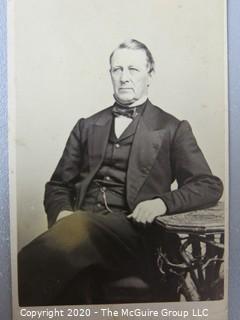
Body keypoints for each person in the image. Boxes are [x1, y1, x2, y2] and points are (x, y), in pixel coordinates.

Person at [18, 39, 223, 306]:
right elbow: (58, 185)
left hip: (136, 235)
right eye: (117, 70)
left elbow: (208, 185)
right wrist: (62, 214)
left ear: (150, 75)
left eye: (133, 70)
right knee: (69, 261)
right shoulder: (87, 126)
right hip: (80, 230)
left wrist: (162, 202)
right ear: (110, 74)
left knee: (75, 230)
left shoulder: (172, 128)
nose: (124, 78)